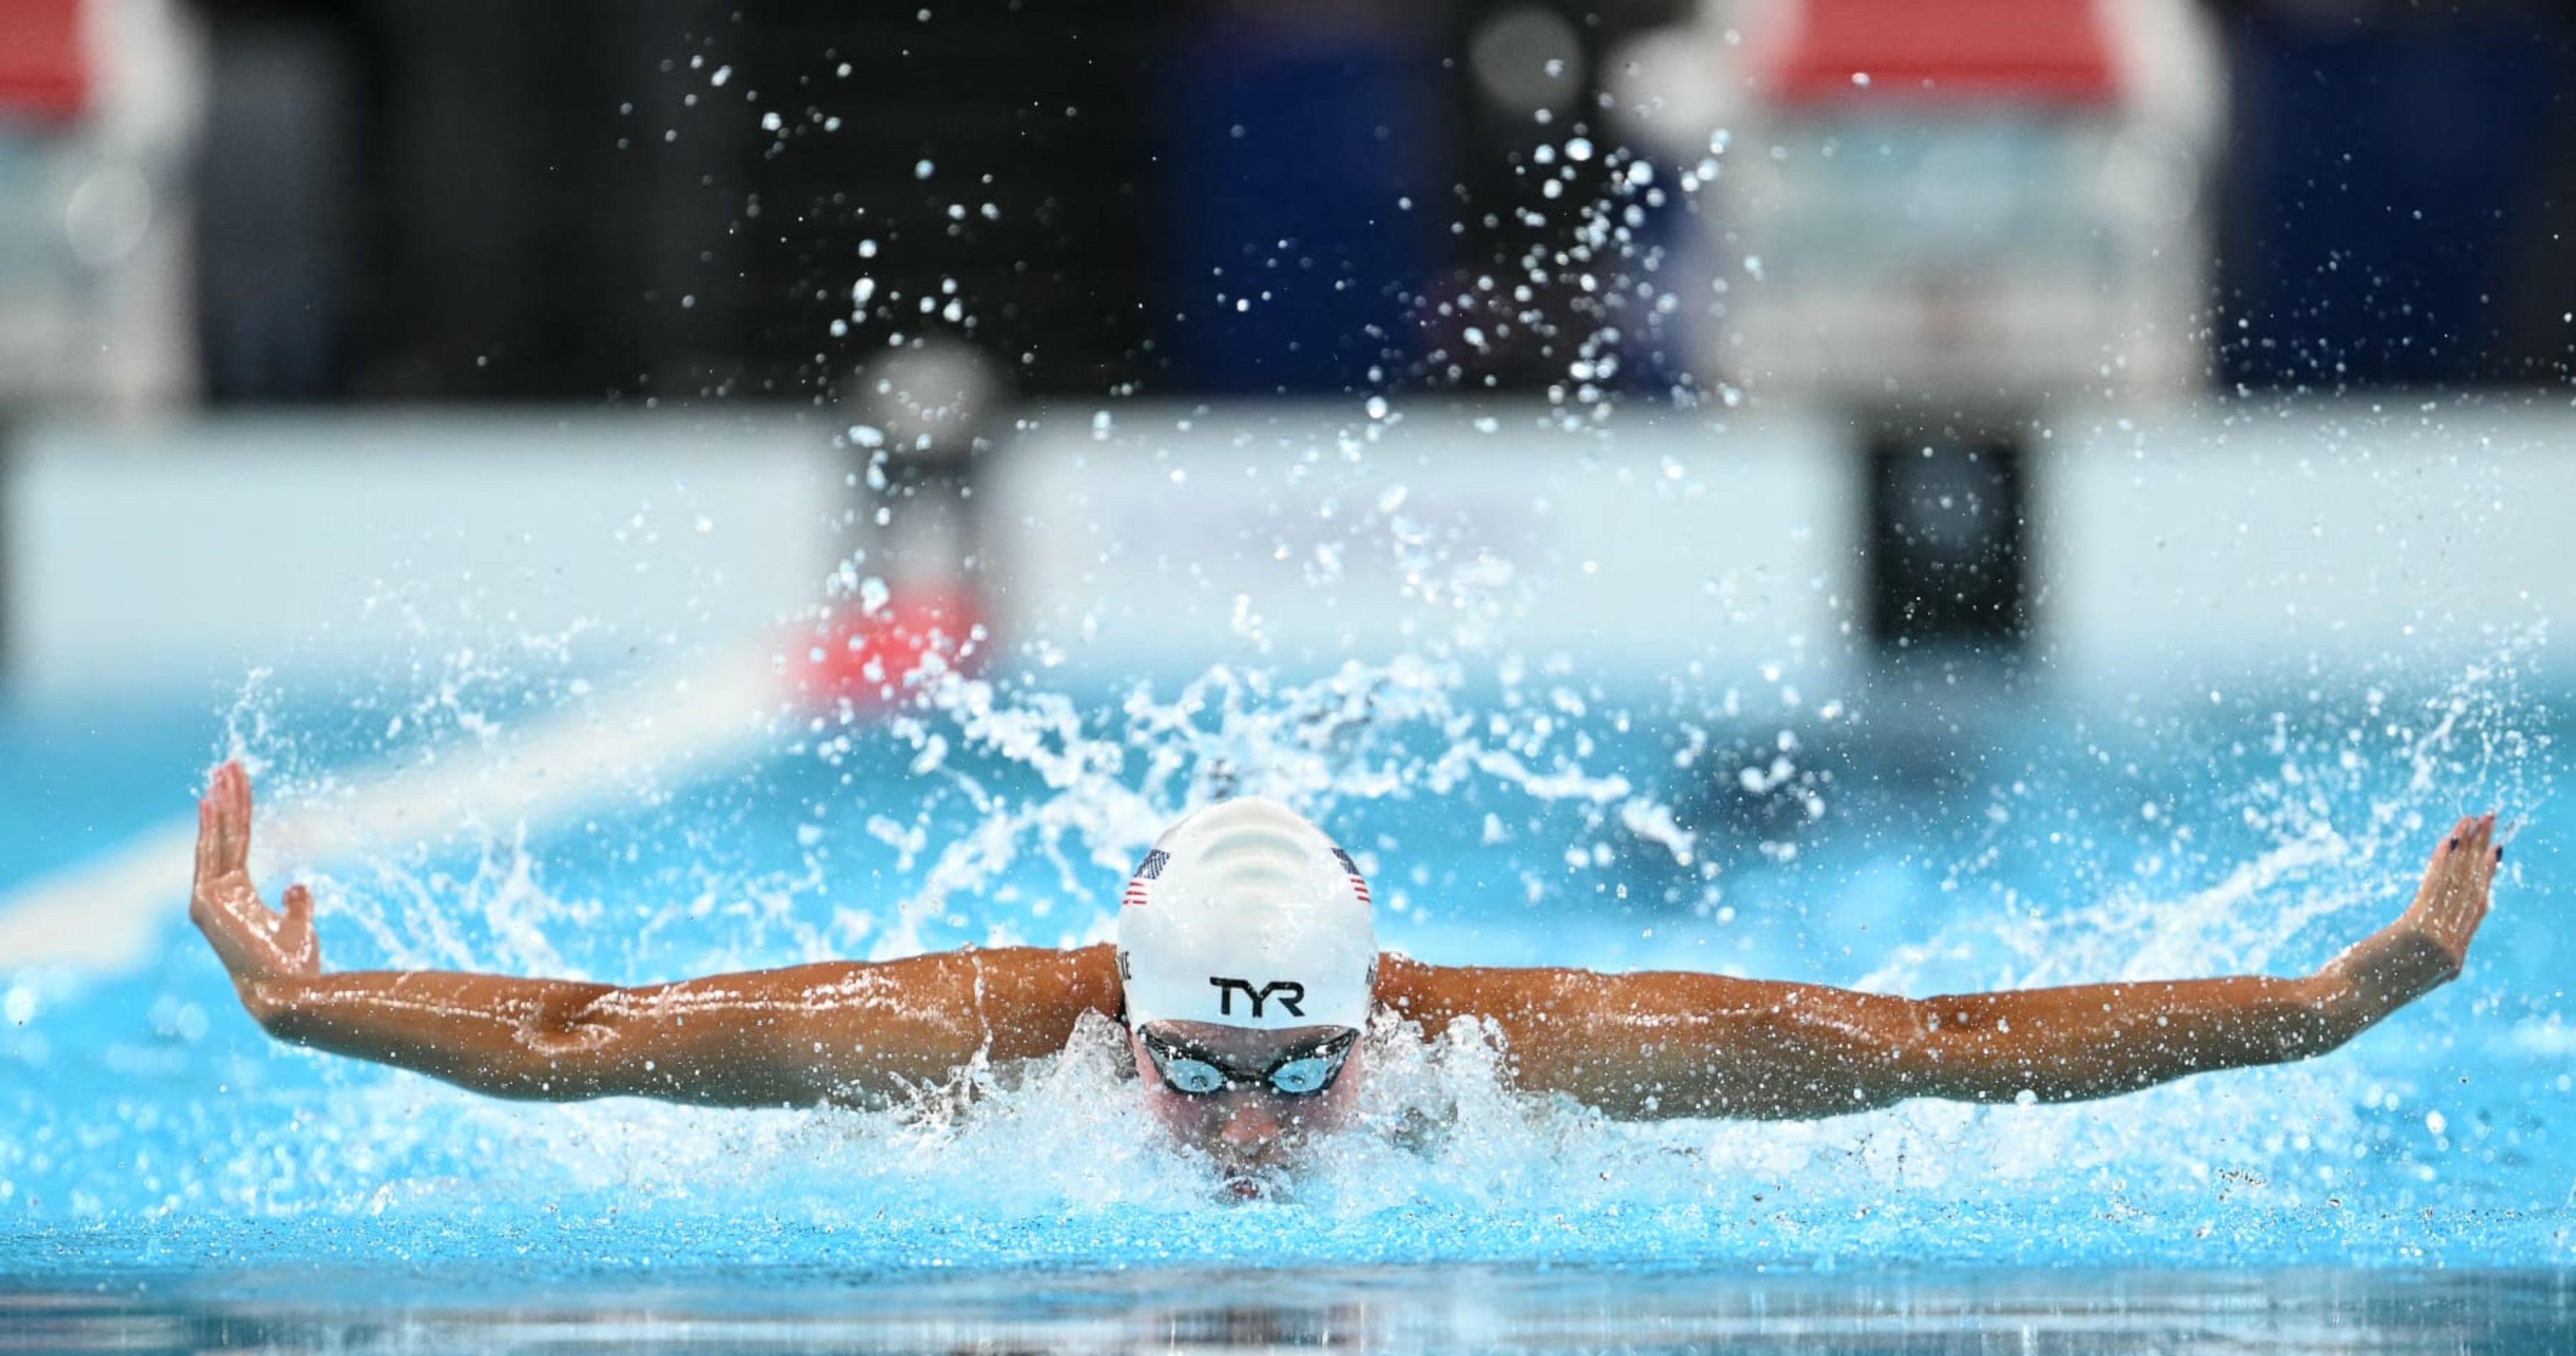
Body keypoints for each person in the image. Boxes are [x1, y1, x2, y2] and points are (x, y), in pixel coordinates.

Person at [190, 760, 2500, 1180]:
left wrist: (2332, 998)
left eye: (1299, 1086)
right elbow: (593, 1044)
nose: (1244, 1134)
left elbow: (1933, 1053)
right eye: (1207, 1073)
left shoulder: (1516, 1054)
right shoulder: (982, 1033)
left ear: (1382, 1022)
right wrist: (308, 1003)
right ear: (1129, 1005)